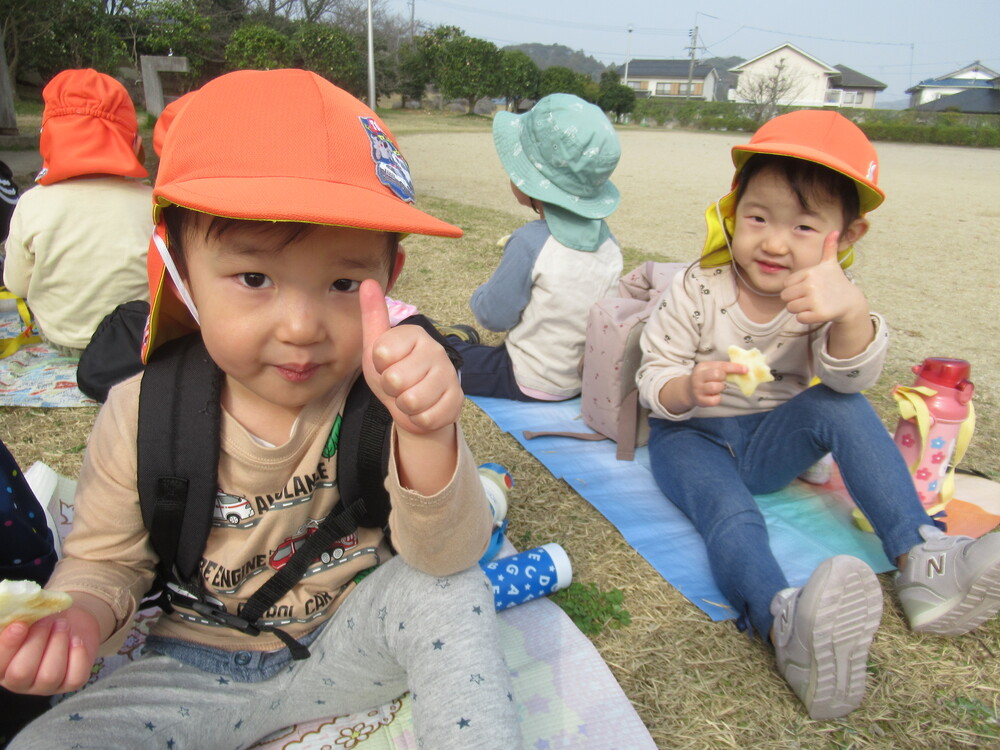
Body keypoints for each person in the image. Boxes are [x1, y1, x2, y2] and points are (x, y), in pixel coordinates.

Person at [0, 69, 521, 750]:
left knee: (452, 593)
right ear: (178, 267)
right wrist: (80, 618)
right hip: (188, 666)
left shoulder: (386, 394)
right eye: (254, 278)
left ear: (389, 278)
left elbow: (446, 557)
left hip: (353, 644)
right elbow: (106, 563)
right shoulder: (141, 412)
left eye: (343, 282)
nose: (302, 326)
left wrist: (428, 432)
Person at [636, 110, 1000, 720]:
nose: (774, 242)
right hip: (690, 438)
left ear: (848, 235)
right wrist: (683, 387)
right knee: (730, 512)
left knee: (844, 403)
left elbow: (848, 376)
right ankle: (785, 623)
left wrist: (850, 313)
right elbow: (651, 377)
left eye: (804, 226)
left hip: (770, 441)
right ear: (732, 210)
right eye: (757, 218)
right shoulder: (699, 287)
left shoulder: (826, 299)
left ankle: (923, 561)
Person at [444, 93, 624, 401]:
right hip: (581, 379)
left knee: (442, 359)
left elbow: (493, 316)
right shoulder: (610, 244)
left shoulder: (531, 243)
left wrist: (480, 295)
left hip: (528, 378)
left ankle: (454, 343)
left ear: (532, 184)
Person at [2, 68, 151, 357]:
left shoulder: (31, 203)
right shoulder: (151, 202)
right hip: (136, 341)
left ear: (48, 140)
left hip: (65, 342)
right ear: (133, 143)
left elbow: (16, 284)